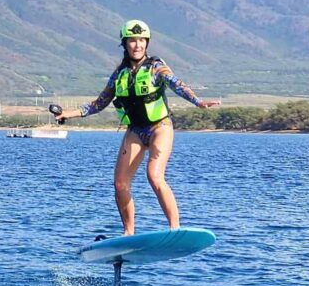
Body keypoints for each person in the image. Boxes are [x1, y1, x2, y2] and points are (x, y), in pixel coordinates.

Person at [55, 20, 220, 236]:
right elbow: (98, 104)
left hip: (160, 127)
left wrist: (198, 102)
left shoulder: (156, 67)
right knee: (120, 184)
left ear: (147, 43)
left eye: (142, 40)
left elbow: (177, 84)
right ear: (125, 44)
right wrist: (69, 114)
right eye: (133, 40)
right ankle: (128, 232)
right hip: (135, 131)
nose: (137, 45)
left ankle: (175, 228)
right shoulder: (119, 75)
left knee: (154, 175)